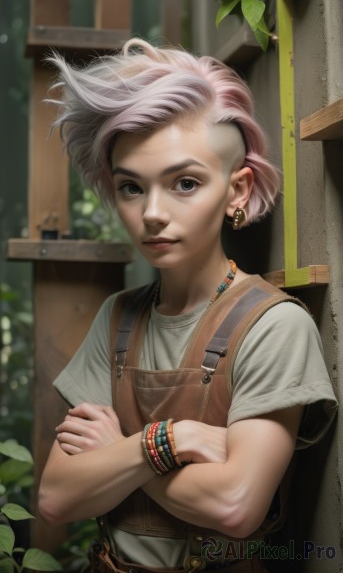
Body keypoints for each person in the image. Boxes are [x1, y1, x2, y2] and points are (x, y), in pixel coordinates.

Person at [38, 38, 337, 573]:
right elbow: (58, 498)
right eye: (131, 187)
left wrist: (128, 447)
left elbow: (235, 505)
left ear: (237, 191)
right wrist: (179, 439)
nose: (152, 213)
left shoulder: (274, 326)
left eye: (185, 182)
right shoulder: (117, 318)